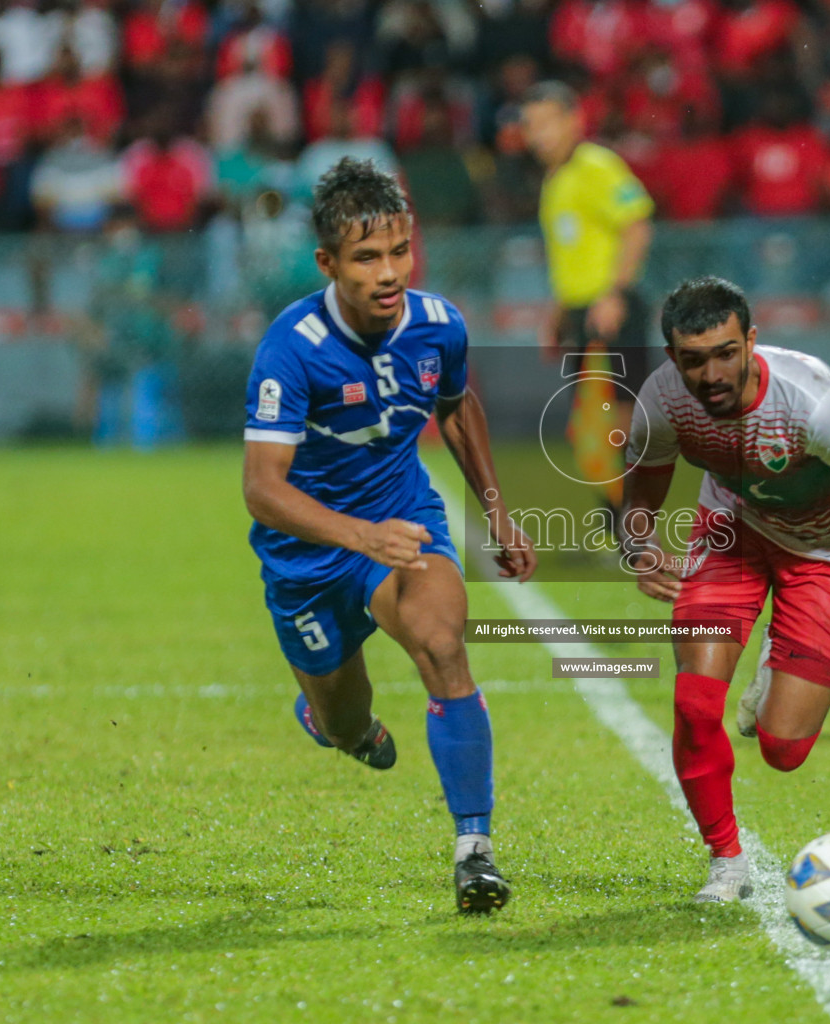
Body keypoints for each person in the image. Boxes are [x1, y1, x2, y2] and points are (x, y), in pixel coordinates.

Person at [241, 158, 536, 913]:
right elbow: (263, 488)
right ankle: (337, 722)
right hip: (307, 557)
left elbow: (456, 408)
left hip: (403, 527)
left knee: (443, 642)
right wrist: (357, 536)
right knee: (345, 725)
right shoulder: (291, 346)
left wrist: (497, 510)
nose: (388, 273)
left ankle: (475, 850)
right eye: (366, 257)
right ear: (328, 263)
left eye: (398, 251)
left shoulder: (439, 326)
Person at [620, 276, 830, 903]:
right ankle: (726, 861)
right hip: (732, 532)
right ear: (672, 358)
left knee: (783, 750)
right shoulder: (663, 399)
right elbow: (645, 481)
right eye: (693, 359)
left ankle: (778, 657)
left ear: (750, 340)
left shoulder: (814, 401)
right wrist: (639, 543)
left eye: (724, 353)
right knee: (694, 705)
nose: (710, 373)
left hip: (827, 547)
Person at [521, 79, 654, 514]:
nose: (538, 135)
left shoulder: (596, 166)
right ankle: (621, 513)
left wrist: (614, 294)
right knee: (590, 426)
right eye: (531, 126)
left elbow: (636, 224)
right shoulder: (554, 180)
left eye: (546, 123)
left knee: (612, 422)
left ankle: (632, 517)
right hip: (580, 313)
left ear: (574, 120)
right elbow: (567, 258)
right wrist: (554, 317)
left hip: (608, 310)